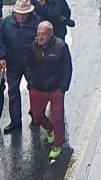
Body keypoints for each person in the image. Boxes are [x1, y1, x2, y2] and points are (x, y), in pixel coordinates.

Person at [25, 20, 72, 160]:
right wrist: (31, 82)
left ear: (51, 34)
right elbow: (28, 66)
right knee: (37, 115)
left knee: (57, 117)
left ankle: (57, 144)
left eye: (43, 35)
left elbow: (67, 68)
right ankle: (50, 128)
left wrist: (63, 88)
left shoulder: (61, 47)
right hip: (38, 88)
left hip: (55, 88)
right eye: (38, 34)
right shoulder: (33, 47)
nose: (40, 37)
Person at [0, 0, 37, 136]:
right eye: (19, 14)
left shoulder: (36, 23)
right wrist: (1, 57)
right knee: (13, 91)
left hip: (31, 64)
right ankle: (15, 121)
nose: (21, 17)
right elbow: (1, 42)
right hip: (13, 63)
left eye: (24, 15)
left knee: (34, 89)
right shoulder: (7, 23)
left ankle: (36, 115)